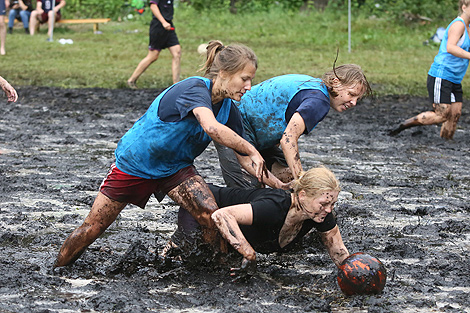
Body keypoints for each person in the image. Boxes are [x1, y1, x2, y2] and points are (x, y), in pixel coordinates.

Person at [54, 40, 268, 268]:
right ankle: (57, 269)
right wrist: (252, 148)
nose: (249, 86)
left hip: (175, 167)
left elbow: (243, 157)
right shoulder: (194, 88)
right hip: (135, 164)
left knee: (210, 215)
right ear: (224, 73)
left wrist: (275, 183)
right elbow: (211, 127)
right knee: (94, 227)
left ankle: (216, 268)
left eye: (251, 80)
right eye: (245, 79)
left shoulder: (228, 109)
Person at [174, 166, 350, 280]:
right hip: (202, 208)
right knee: (195, 268)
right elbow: (221, 215)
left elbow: (339, 252)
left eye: (332, 204)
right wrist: (249, 253)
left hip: (230, 228)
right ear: (302, 195)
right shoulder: (274, 207)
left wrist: (357, 274)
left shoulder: (320, 215)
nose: (328, 210)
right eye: (324, 203)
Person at [215, 64, 372, 189]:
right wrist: (301, 182)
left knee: (285, 178)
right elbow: (288, 139)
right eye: (351, 94)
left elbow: (278, 125)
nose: (354, 103)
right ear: (336, 82)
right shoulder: (320, 101)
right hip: (233, 122)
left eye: (357, 98)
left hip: (254, 131)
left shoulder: (316, 88)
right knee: (249, 188)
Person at [389, 0, 470, 140]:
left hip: (455, 78)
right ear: (464, 7)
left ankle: (445, 145)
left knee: (454, 115)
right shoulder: (458, 25)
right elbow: (451, 47)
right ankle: (403, 125)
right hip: (442, 75)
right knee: (442, 114)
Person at [127, 0, 181, 89]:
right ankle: (131, 80)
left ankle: (176, 85)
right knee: (153, 56)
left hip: (169, 25)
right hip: (159, 26)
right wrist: (163, 22)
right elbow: (153, 6)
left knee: (177, 52)